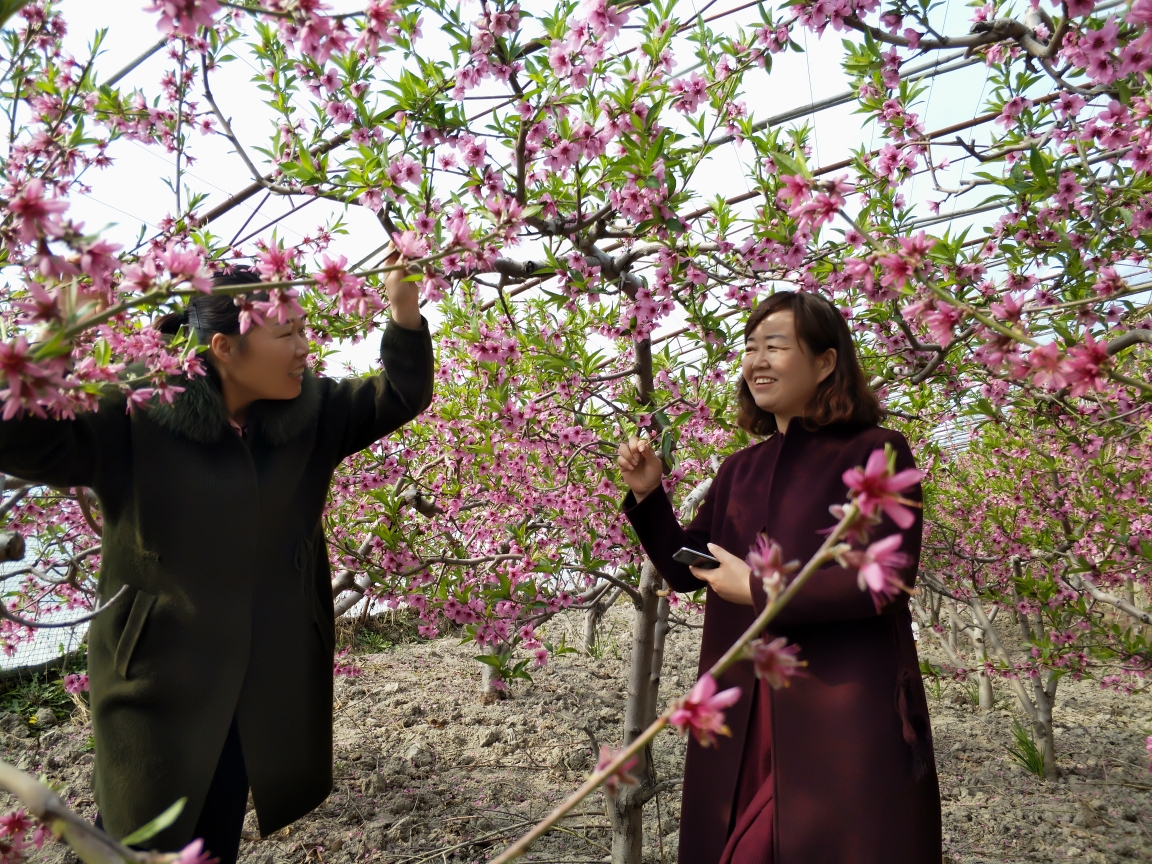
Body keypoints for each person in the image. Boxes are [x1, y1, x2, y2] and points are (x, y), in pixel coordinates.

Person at [0, 260, 433, 863]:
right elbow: (26, 443)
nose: (305, 348)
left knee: (215, 832)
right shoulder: (138, 409)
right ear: (225, 347)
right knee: (134, 820)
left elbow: (400, 394)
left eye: (304, 330)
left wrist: (405, 314)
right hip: (158, 676)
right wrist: (55, 352)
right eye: (288, 335)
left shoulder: (314, 412)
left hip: (255, 680)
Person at [617, 290, 941, 863]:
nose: (756, 360)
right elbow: (687, 567)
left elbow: (885, 581)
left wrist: (760, 591)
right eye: (749, 347)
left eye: (775, 346)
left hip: (835, 710)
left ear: (825, 361)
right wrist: (649, 495)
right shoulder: (742, 467)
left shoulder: (879, 452)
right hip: (745, 710)